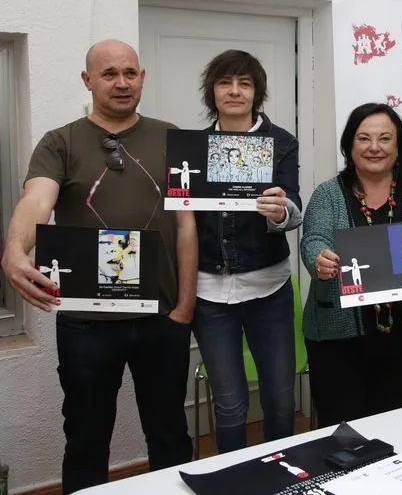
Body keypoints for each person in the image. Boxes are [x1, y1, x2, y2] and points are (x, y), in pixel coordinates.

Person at [0, 40, 196, 493]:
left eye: (130, 72)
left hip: (163, 318)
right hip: (87, 324)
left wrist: (185, 306)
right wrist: (14, 250)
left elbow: (187, 226)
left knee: (170, 434)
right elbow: (37, 201)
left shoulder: (173, 138)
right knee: (86, 438)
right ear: (88, 81)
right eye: (109, 74)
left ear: (142, 77)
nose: (121, 83)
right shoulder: (60, 142)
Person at [300, 102, 402, 427]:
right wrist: (319, 259)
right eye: (364, 138)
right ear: (349, 145)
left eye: (385, 138)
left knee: (387, 424)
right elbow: (313, 239)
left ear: (399, 147)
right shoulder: (327, 194)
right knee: (339, 429)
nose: (375, 147)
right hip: (337, 338)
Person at [191, 49, 302, 453]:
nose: (235, 91)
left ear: (258, 92)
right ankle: (232, 478)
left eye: (245, 83)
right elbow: (181, 217)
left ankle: (280, 473)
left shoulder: (281, 143)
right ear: (212, 91)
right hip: (209, 293)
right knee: (230, 404)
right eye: (225, 82)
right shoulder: (193, 147)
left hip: (269, 288)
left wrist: (280, 211)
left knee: (279, 399)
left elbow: (294, 209)